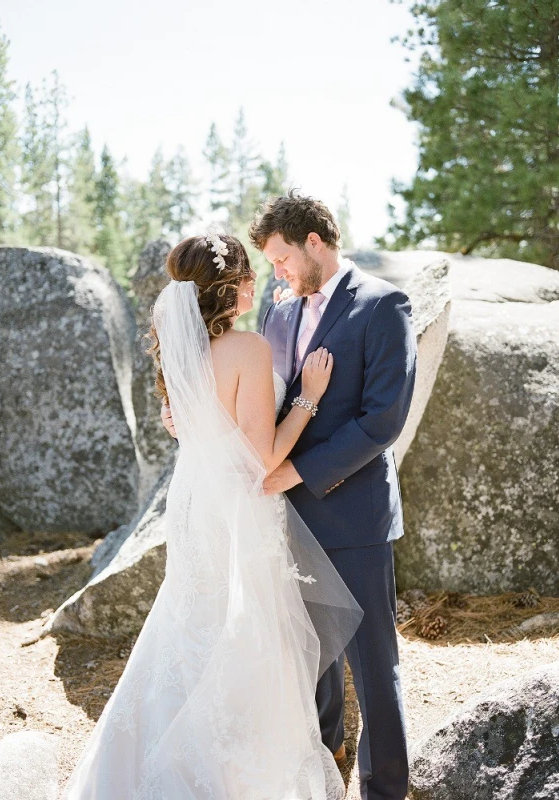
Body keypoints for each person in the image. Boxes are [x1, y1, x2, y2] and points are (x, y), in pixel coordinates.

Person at [64, 232, 362, 799]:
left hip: (195, 504)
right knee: (246, 630)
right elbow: (263, 457)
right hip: (238, 510)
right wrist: (309, 397)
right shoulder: (247, 349)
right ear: (230, 286)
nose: (257, 281)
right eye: (249, 273)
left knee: (189, 621)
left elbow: (192, 428)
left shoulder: (184, 354)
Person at [252, 191, 417, 800]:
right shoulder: (276, 314)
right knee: (309, 657)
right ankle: (326, 759)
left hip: (354, 516)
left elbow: (382, 421)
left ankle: (385, 789)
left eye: (281, 258)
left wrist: (297, 472)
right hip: (286, 517)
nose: (278, 272)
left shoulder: (383, 305)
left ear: (314, 242)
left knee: (374, 667)